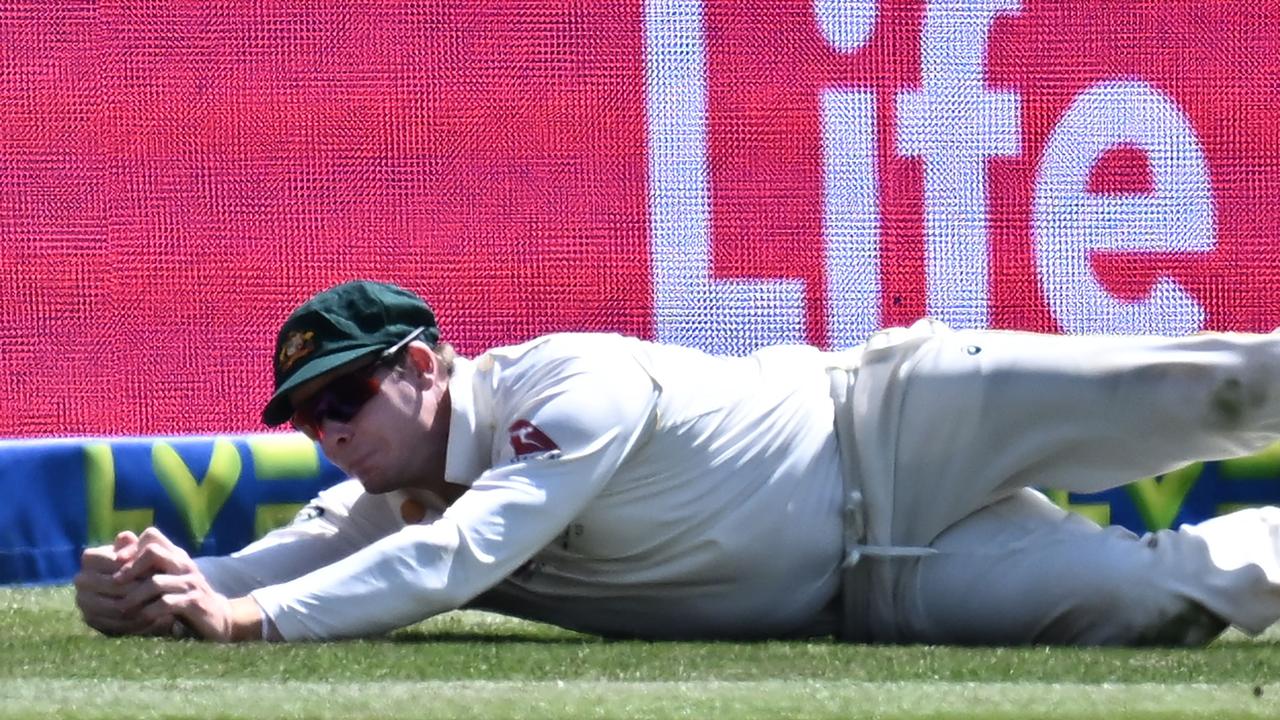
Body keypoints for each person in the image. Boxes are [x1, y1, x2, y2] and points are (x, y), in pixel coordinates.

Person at [74, 280, 1280, 645]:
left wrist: (246, 626)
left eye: (346, 393)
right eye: (308, 417)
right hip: (881, 586)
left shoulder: (561, 383)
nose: (333, 431)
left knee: (1220, 387)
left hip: (897, 422)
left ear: (426, 362)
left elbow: (462, 553)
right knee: (1154, 604)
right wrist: (164, 588)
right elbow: (265, 563)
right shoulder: (391, 495)